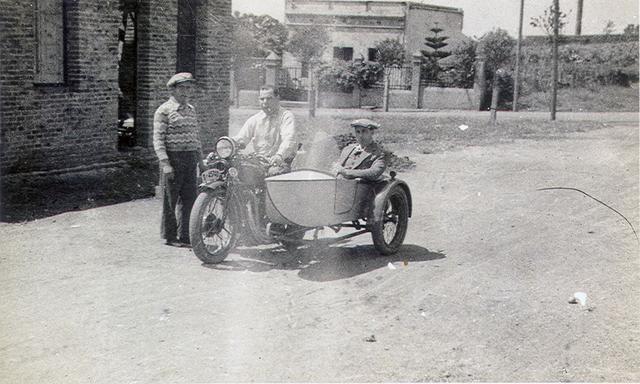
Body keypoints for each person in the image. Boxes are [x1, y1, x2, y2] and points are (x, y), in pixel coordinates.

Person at [153, 72, 205, 247]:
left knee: (190, 198)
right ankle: (170, 236)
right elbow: (158, 140)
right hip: (173, 159)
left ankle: (185, 234)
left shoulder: (191, 110)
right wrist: (165, 163)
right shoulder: (164, 111)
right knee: (170, 200)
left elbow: (196, 137)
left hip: (190, 158)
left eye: (188, 88)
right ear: (172, 90)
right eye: (182, 88)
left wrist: (201, 161)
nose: (185, 92)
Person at [232, 86, 296, 176]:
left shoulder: (286, 117)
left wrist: (279, 155)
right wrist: (227, 144)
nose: (265, 102)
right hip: (259, 162)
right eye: (262, 99)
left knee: (273, 172)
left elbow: (289, 139)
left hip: (279, 162)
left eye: (269, 99)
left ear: (277, 99)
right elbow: (242, 138)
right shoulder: (255, 119)